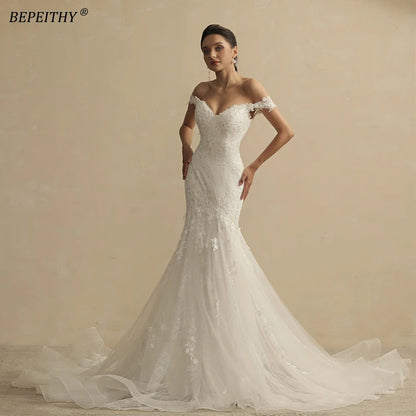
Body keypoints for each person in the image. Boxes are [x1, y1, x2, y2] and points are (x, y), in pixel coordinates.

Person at [11, 23, 411, 413]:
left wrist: (254, 165)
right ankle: (194, 355)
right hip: (199, 173)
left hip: (228, 177)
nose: (211, 55)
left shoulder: (251, 88)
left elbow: (286, 131)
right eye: (205, 50)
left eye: (218, 47)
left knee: (224, 247)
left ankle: (231, 356)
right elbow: (186, 126)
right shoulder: (200, 90)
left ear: (235, 51)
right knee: (195, 251)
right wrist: (186, 148)